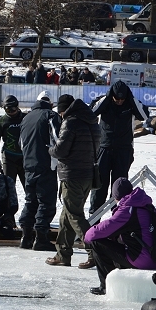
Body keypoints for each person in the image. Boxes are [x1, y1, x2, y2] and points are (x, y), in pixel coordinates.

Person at [46, 94, 101, 269]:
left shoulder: (70, 122)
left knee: (75, 216)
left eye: (61, 113)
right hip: (88, 175)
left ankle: (95, 253)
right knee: (67, 215)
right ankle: (63, 254)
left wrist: (50, 150)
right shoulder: (91, 121)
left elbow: (61, 150)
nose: (60, 116)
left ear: (64, 110)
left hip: (72, 175)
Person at [84, 178, 156, 295]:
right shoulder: (144, 204)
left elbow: (98, 231)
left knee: (97, 242)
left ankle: (106, 287)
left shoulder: (128, 210)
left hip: (143, 259)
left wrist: (86, 237)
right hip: (155, 256)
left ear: (116, 196)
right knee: (115, 239)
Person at [88, 80, 150, 217]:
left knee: (119, 188)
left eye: (122, 98)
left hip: (124, 150)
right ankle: (94, 219)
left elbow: (144, 115)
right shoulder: (105, 101)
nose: (120, 101)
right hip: (104, 148)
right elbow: (91, 112)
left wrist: (131, 99)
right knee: (99, 186)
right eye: (117, 98)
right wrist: (108, 98)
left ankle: (117, 220)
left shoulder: (131, 103)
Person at [18, 91, 61, 251]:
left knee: (30, 200)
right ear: (50, 103)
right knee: (46, 201)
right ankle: (41, 238)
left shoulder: (26, 117)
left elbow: (21, 143)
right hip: (46, 165)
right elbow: (59, 141)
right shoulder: (51, 115)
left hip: (28, 165)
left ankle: (26, 237)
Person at [0, 94, 26, 188]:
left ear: (18, 107)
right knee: (8, 189)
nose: (11, 112)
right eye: (8, 110)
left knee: (29, 189)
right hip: (9, 158)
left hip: (24, 158)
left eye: (13, 109)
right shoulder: (1, 122)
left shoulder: (25, 118)